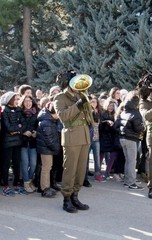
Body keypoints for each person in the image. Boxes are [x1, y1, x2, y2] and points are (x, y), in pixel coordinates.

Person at [54, 70, 94, 213]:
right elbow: (63, 117)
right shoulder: (60, 97)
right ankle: (66, 199)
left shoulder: (80, 95)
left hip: (84, 136)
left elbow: (88, 116)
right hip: (71, 136)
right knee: (70, 170)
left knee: (81, 170)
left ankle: (75, 196)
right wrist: (78, 104)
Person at [117, 90, 145, 190]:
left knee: (128, 161)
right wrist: (143, 127)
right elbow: (138, 128)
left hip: (123, 138)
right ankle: (132, 183)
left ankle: (127, 181)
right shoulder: (136, 113)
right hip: (131, 139)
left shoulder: (124, 111)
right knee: (132, 162)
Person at [0, 91, 26, 196]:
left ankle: (16, 183)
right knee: (6, 164)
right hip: (7, 142)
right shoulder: (5, 110)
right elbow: (8, 128)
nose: (17, 101)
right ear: (10, 100)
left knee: (16, 163)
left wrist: (17, 130)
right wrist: (17, 128)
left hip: (18, 141)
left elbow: (23, 124)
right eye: (15, 99)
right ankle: (6, 185)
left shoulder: (19, 110)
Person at [36, 101, 60, 198]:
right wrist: (56, 148)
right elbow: (49, 139)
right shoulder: (47, 122)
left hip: (46, 148)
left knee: (47, 167)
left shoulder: (48, 120)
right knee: (46, 168)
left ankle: (46, 187)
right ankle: (44, 189)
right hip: (46, 149)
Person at [18, 95, 39, 193]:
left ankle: (30, 181)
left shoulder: (37, 112)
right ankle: (26, 182)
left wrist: (35, 132)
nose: (28, 103)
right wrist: (23, 131)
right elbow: (16, 125)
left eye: (30, 101)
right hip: (22, 142)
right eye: (26, 101)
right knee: (25, 163)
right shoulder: (19, 112)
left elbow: (39, 125)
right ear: (23, 103)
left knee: (33, 164)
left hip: (33, 142)